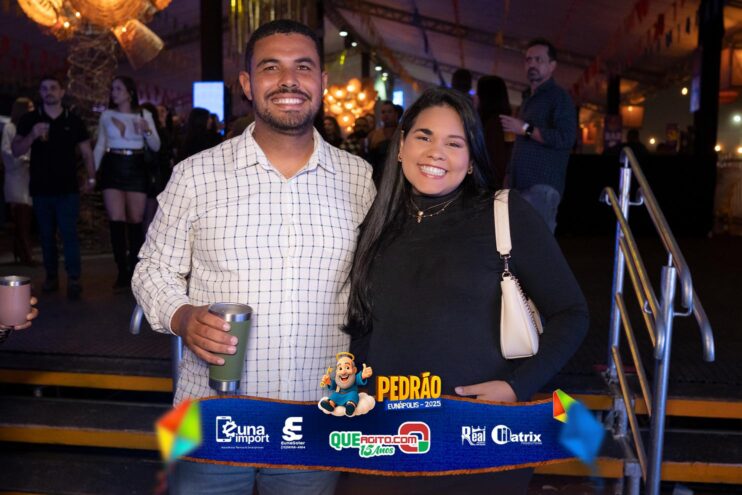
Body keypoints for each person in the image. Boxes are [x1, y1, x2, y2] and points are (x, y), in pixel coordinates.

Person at [131, 19, 374, 494]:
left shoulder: (359, 179)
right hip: (207, 418)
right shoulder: (195, 175)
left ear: (322, 82)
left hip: (317, 420)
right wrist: (181, 315)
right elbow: (152, 268)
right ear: (247, 84)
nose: (289, 80)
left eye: (303, 67)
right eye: (271, 67)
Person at [342, 87, 588, 494]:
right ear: (401, 146)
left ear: (472, 160)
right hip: (389, 437)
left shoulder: (504, 213)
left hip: (478, 442)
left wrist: (516, 387)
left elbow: (572, 314)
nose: (436, 152)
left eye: (454, 143)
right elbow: (365, 327)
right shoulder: (378, 224)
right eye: (423, 136)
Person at [12, 75, 96, 299]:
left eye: (52, 88)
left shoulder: (73, 120)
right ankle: (51, 277)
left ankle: (74, 279)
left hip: (68, 188)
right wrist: (32, 134)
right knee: (46, 236)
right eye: (44, 88)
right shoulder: (30, 119)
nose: (48, 91)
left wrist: (91, 178)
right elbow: (16, 150)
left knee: (69, 234)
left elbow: (87, 152)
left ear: (61, 92)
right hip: (41, 188)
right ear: (40, 93)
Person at [500, 38, 577, 233]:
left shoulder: (559, 97)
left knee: (535, 245)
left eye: (538, 60)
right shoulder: (529, 99)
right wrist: (508, 177)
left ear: (552, 66)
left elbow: (565, 138)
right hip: (519, 187)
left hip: (541, 186)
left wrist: (526, 128)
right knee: (519, 245)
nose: (532, 64)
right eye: (528, 60)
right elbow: (521, 141)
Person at [94, 76, 161, 291]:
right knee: (116, 220)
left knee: (135, 220)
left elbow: (156, 146)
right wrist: (92, 173)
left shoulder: (143, 114)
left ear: (129, 92)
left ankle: (134, 269)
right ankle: (121, 271)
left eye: (118, 88)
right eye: (112, 89)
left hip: (136, 165)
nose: (114, 92)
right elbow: (100, 144)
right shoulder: (107, 115)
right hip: (113, 163)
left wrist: (146, 130)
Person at [1, 97, 36, 265]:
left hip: (27, 176)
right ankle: (26, 254)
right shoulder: (10, 128)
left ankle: (20, 251)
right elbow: (6, 152)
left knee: (25, 217)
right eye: (29, 107)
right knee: (21, 216)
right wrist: (23, 159)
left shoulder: (31, 128)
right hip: (16, 175)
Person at [141, 102, 175, 233]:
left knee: (147, 215)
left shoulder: (156, 133)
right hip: (155, 175)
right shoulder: (158, 132)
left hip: (152, 174)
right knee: (151, 215)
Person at [477, 75, 512, 189]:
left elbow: (495, 159)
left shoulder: (494, 124)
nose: (476, 97)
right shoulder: (504, 122)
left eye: (479, 94)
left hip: (488, 185)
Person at [366, 100, 398, 184]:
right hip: (378, 177)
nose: (386, 115)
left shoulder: (402, 133)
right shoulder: (373, 135)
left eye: (389, 112)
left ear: (396, 114)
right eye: (383, 112)